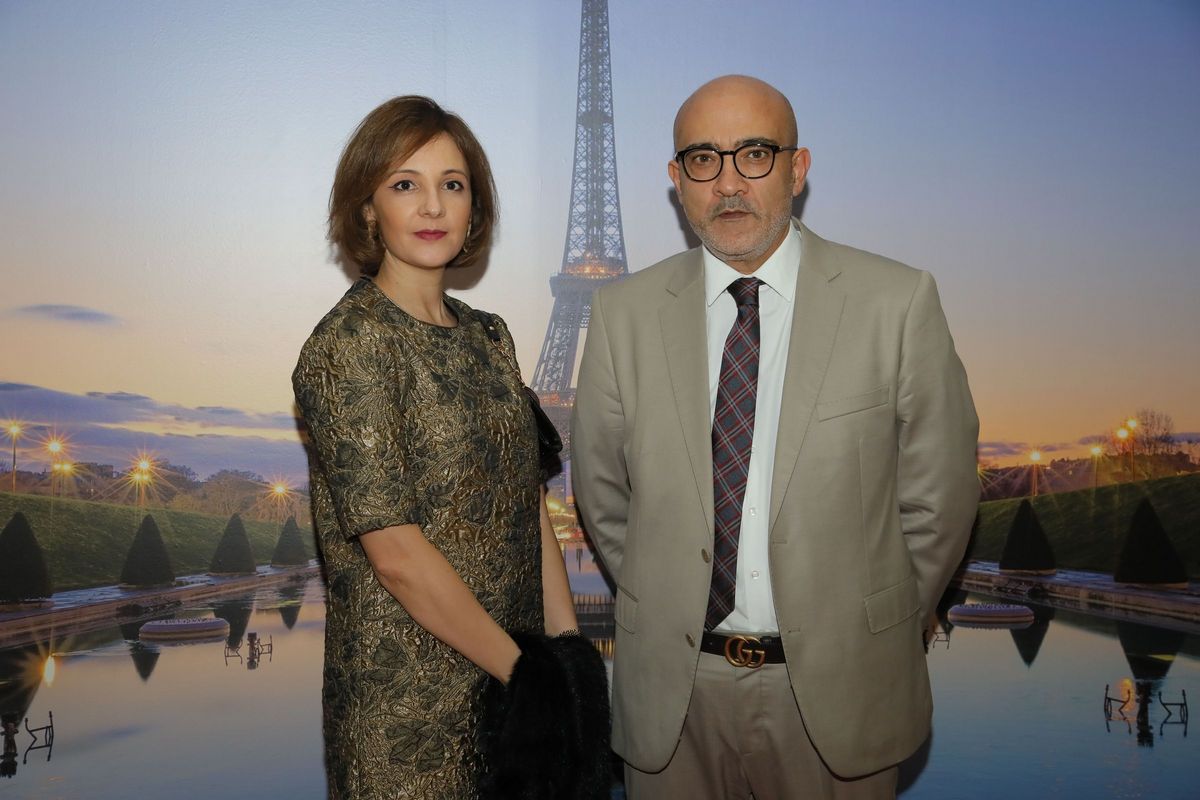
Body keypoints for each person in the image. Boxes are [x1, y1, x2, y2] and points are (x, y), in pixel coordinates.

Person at [571, 75, 980, 799]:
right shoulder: (620, 315)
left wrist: (878, 625)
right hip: (674, 697)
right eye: (703, 158)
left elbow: (939, 498)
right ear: (676, 179)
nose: (728, 182)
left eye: (755, 154)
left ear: (798, 168)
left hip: (843, 692)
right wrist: (662, 598)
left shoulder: (896, 302)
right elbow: (603, 494)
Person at [293, 96, 579, 799]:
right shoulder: (349, 345)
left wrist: (568, 658)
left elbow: (528, 503)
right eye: (404, 184)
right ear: (368, 209)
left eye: (452, 184)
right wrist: (526, 677)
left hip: (515, 697)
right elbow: (395, 555)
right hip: (408, 713)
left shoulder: (491, 336)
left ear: (474, 208)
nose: (432, 206)